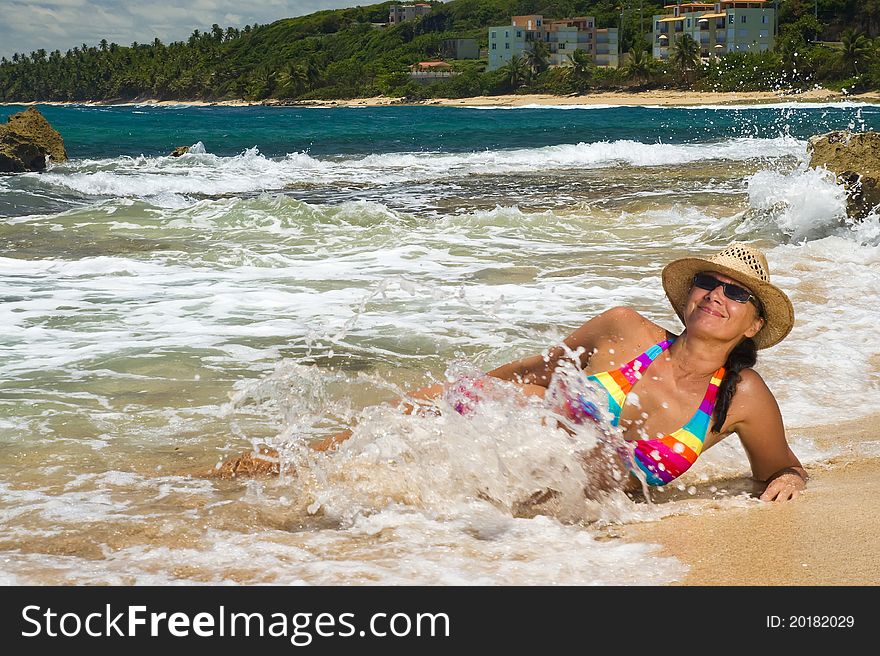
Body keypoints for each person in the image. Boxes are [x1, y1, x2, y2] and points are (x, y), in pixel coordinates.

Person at [208, 243, 807, 503]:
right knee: (334, 489)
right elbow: (529, 374)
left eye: (735, 292)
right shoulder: (624, 329)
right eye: (708, 281)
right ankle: (272, 461)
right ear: (688, 294)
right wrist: (451, 399)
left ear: (754, 325)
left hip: (575, 525)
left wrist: (792, 481)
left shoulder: (742, 397)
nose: (715, 295)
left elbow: (778, 466)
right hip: (488, 467)